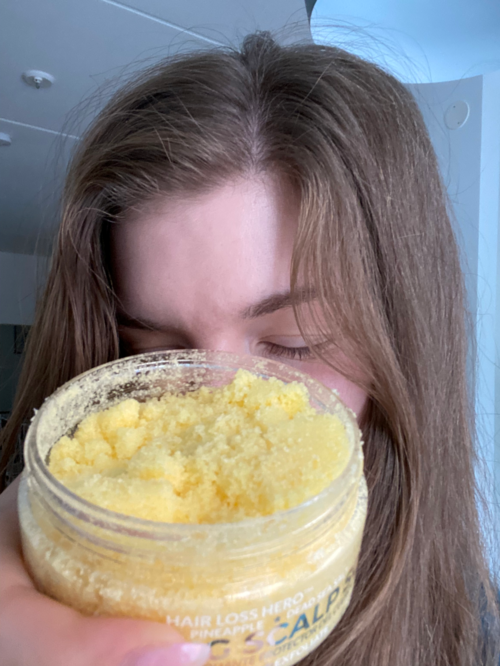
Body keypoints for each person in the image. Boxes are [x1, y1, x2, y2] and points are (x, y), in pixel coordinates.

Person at [0, 31, 498, 666]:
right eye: (155, 351)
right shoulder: (40, 562)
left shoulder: (469, 632)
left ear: (399, 347)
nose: (216, 409)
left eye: (294, 344)